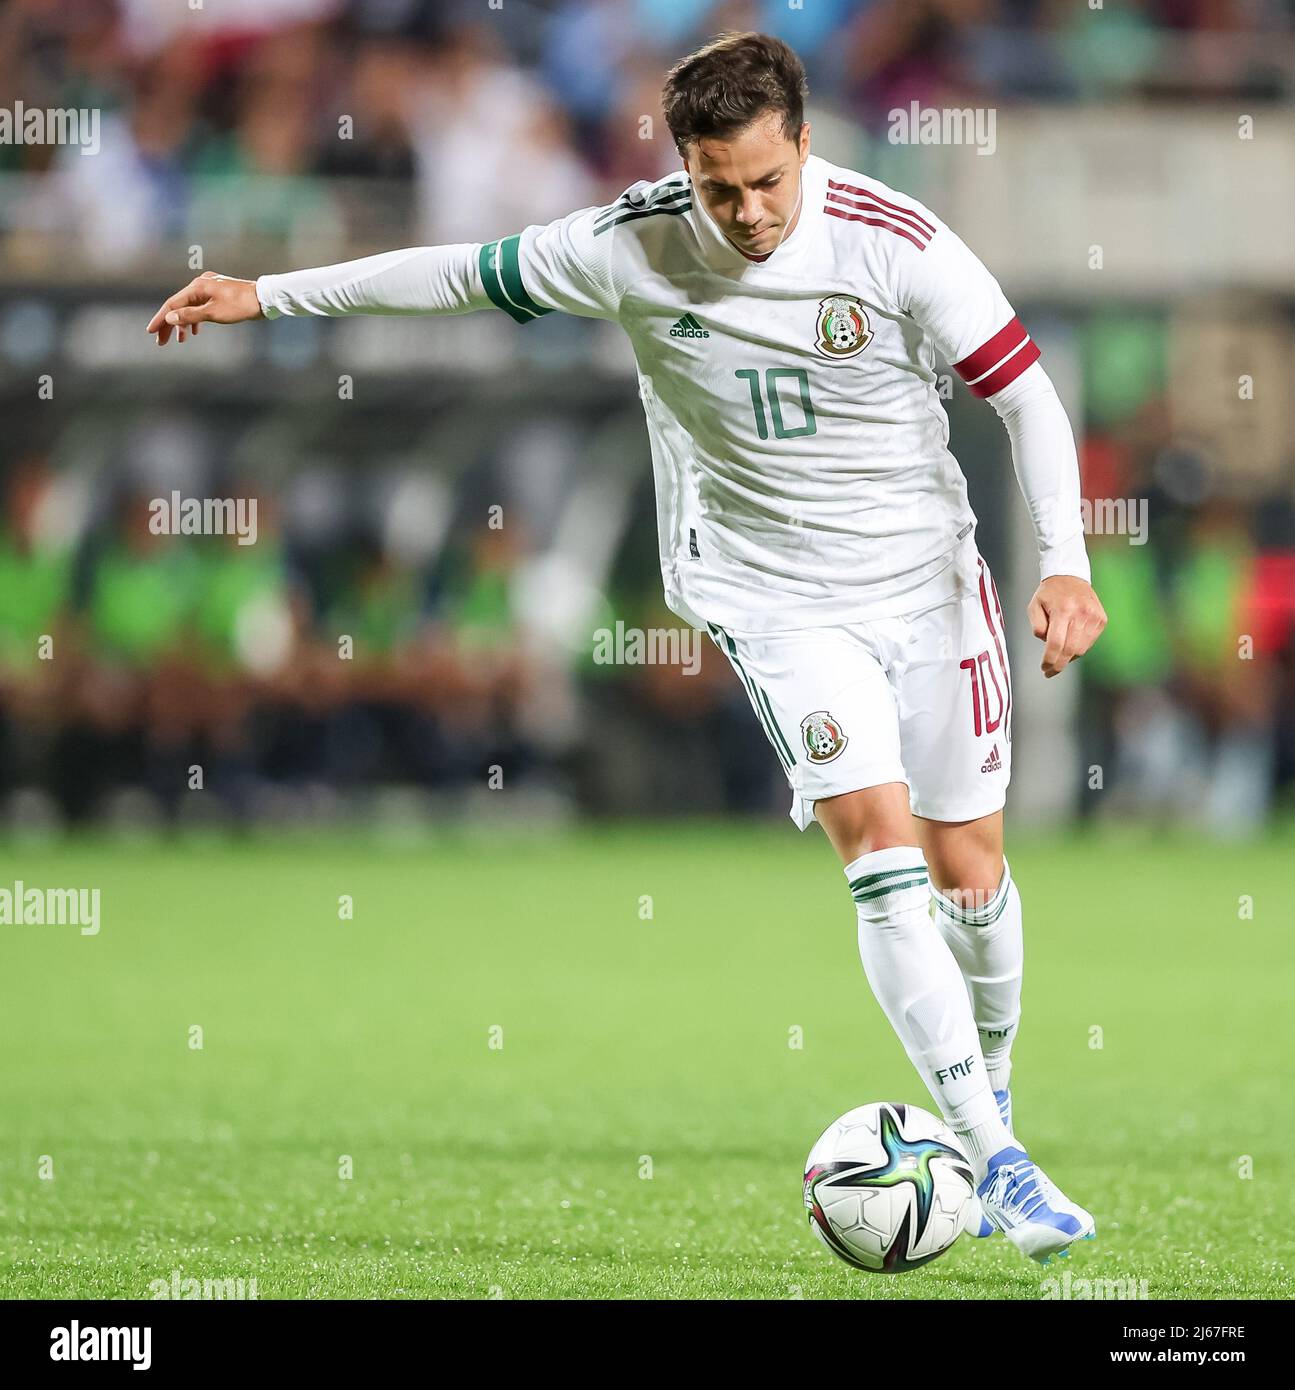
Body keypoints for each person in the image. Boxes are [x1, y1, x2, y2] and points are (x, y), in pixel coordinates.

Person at [146, 30, 1108, 1263]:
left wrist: (1068, 560)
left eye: (766, 181)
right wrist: (267, 293)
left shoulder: (897, 243)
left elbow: (1024, 396)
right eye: (718, 187)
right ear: (682, 164)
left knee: (968, 860)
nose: (746, 212)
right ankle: (997, 1160)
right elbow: (452, 272)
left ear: (803, 144)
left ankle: (997, 1082)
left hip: (923, 584)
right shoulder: (626, 244)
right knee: (879, 843)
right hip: (768, 595)